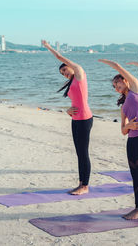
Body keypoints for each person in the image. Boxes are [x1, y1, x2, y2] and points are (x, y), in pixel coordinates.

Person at [98, 59, 138, 220]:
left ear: (125, 80)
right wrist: (128, 125)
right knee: (135, 175)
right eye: (114, 87)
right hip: (132, 140)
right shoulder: (123, 106)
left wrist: (108, 62)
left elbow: (118, 67)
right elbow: (123, 130)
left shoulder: (137, 90)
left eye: (118, 83)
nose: (117, 87)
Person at [42, 40, 93, 195]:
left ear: (71, 66)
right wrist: (68, 111)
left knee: (83, 153)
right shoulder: (71, 83)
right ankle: (81, 183)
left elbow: (60, 57)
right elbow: (74, 101)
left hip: (84, 119)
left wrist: (48, 47)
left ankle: (85, 186)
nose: (65, 73)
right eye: (62, 73)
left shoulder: (79, 74)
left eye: (65, 70)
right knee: (79, 153)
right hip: (76, 119)